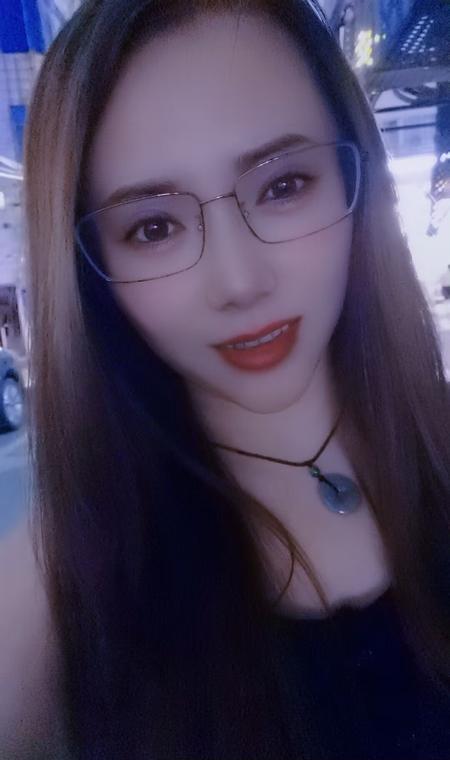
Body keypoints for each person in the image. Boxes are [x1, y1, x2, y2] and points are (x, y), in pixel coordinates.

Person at [5, 0, 450, 757]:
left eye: (283, 186)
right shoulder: (56, 587)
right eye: (153, 227)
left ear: (356, 177)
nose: (239, 283)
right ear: (92, 268)